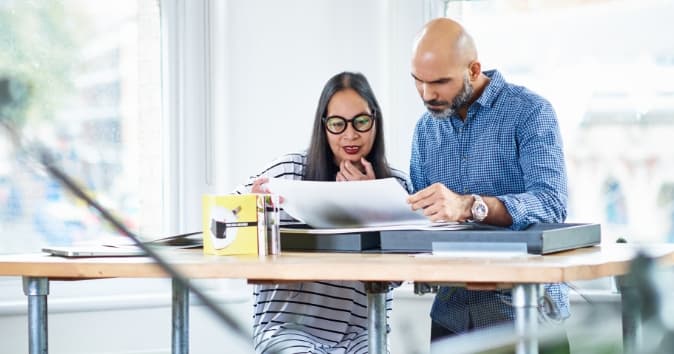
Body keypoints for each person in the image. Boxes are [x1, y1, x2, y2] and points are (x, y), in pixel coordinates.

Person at [406, 18, 570, 350]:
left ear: (473, 69)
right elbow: (424, 227)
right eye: (418, 81)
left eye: (439, 82)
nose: (427, 94)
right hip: (452, 321)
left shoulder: (530, 113)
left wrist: (471, 206)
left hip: (525, 319)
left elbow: (552, 205)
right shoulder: (425, 131)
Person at [233, 71, 411, 354]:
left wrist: (372, 202)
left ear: (375, 122)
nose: (350, 135)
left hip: (362, 334)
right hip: (289, 331)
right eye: (338, 124)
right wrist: (250, 211)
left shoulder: (397, 186)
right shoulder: (288, 173)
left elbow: (399, 273)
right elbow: (224, 221)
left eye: (361, 122)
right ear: (324, 126)